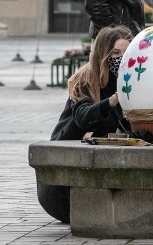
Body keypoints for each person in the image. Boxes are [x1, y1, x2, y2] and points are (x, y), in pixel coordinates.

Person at [36, 26, 133, 223]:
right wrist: (112, 101)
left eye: (126, 53)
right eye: (115, 53)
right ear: (103, 54)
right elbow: (83, 116)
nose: (121, 58)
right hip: (63, 185)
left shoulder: (128, 80)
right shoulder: (85, 80)